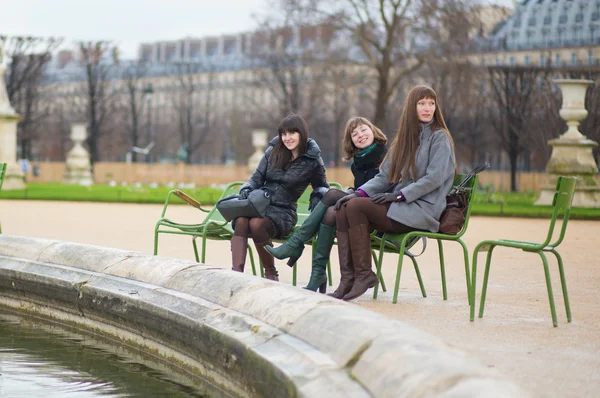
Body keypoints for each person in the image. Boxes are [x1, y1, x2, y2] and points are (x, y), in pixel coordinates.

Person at [332, 85, 456, 301]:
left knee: (355, 208)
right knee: (346, 206)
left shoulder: (440, 137)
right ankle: (348, 279)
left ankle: (364, 275)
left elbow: (434, 178)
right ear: (411, 107)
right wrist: (359, 193)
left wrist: (400, 195)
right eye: (421, 103)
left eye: (431, 103)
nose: (428, 108)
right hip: (404, 206)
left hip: (423, 209)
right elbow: (384, 176)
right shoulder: (406, 139)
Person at [265, 117, 387, 292]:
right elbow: (363, 189)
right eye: (354, 134)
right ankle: (317, 274)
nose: (360, 135)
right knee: (330, 212)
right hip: (360, 210)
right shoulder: (358, 162)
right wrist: (353, 191)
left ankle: (296, 243)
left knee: (331, 195)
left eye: (363, 130)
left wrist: (354, 194)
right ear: (350, 141)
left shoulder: (387, 154)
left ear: (373, 130)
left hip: (380, 211)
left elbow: (384, 186)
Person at [231, 114, 329, 281]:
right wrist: (247, 189)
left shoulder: (312, 158)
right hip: (259, 205)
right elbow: (256, 177)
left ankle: (270, 272)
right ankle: (235, 273)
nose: (287, 138)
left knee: (256, 223)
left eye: (292, 133)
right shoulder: (273, 151)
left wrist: (317, 195)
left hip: (283, 212)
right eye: (284, 134)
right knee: (241, 220)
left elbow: (322, 186)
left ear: (302, 133)